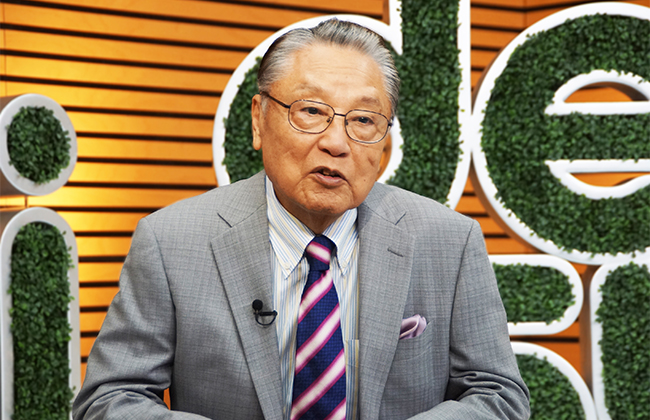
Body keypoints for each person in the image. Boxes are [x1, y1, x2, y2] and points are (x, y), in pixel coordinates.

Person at [73, 18, 530, 420]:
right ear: (258, 119)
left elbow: (499, 395)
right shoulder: (171, 241)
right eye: (311, 111)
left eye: (364, 120)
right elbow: (110, 399)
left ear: (385, 140)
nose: (337, 143)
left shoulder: (449, 241)